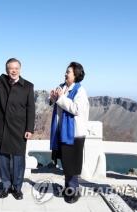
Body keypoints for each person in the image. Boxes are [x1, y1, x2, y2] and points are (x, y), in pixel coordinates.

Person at [0, 46, 35, 200]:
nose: (14, 71)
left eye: (16, 68)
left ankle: (17, 188)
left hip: (20, 128)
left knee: (19, 160)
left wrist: (29, 128)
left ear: (20, 69)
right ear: (7, 70)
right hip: (3, 128)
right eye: (11, 68)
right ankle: (6, 186)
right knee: (3, 159)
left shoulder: (28, 86)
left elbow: (31, 109)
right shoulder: (1, 82)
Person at [49, 62, 89, 204]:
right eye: (66, 72)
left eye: (68, 72)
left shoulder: (80, 91)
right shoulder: (63, 87)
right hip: (63, 131)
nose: (65, 74)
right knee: (66, 162)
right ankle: (68, 189)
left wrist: (60, 98)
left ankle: (74, 191)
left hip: (74, 134)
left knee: (72, 163)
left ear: (76, 75)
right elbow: (59, 105)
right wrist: (54, 99)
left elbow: (76, 109)